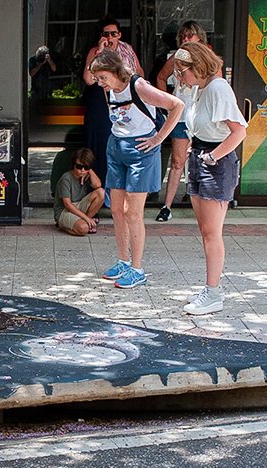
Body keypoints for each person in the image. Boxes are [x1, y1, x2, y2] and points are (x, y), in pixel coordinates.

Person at [90, 50, 184, 289]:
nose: (100, 83)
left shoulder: (139, 86)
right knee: (117, 210)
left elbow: (177, 105)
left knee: (133, 212)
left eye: (102, 77)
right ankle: (123, 260)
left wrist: (159, 138)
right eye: (98, 79)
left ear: (114, 71)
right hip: (117, 147)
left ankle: (137, 267)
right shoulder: (107, 88)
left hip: (141, 150)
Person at [171, 43, 246, 315]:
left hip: (214, 160)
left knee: (212, 232)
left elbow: (238, 132)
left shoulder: (217, 88)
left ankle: (214, 293)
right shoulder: (200, 89)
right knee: (205, 231)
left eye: (183, 71)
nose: (180, 77)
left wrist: (213, 157)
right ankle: (210, 288)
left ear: (198, 66)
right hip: (200, 155)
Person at [153, 21, 207, 222]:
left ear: (199, 38)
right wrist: (168, 104)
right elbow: (160, 77)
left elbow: (216, 81)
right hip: (181, 117)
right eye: (182, 36)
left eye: (189, 36)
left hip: (202, 117)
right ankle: (167, 205)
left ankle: (200, 202)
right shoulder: (176, 57)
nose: (185, 39)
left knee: (200, 160)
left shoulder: (207, 57)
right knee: (177, 161)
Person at [82, 17, 143, 187]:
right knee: (102, 144)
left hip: (125, 102)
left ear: (119, 35)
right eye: (106, 34)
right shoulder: (95, 51)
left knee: (123, 145)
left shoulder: (127, 49)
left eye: (113, 34)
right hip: (101, 103)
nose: (110, 37)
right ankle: (100, 189)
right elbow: (88, 79)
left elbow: (139, 72)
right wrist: (100, 52)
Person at [56, 148, 105, 236]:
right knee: (83, 229)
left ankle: (86, 222)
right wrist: (86, 218)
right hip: (65, 211)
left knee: (101, 192)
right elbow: (67, 204)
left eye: (85, 167)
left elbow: (98, 186)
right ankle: (63, 226)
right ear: (74, 164)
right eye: (79, 166)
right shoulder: (66, 178)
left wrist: (89, 171)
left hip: (79, 206)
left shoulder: (86, 174)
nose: (82, 170)